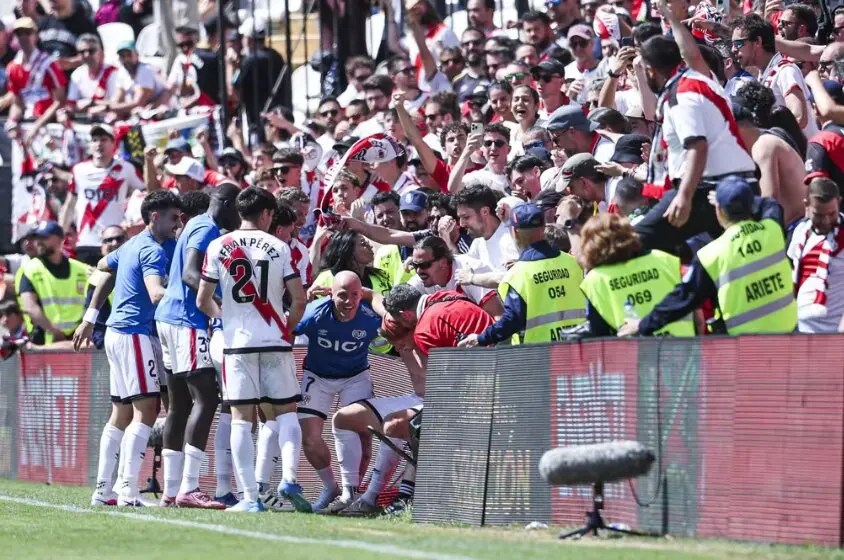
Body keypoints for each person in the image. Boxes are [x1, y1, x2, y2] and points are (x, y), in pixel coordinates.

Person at [330, 283, 494, 515]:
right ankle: (349, 494)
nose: (397, 348)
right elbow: (380, 303)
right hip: (423, 397)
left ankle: (375, 497)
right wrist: (366, 294)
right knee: (343, 418)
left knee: (399, 425)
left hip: (446, 397)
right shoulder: (403, 318)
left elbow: (446, 385)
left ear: (407, 320)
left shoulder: (428, 328)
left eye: (399, 341)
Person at [196, 187, 309, 513]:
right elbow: (299, 298)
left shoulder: (218, 246)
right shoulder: (279, 246)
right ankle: (288, 478)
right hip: (274, 340)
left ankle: (249, 497)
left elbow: (203, 299)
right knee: (286, 412)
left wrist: (225, 318)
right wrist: (287, 327)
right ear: (265, 214)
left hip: (237, 345)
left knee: (241, 420)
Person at [73, 190, 183, 507]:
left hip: (116, 333)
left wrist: (91, 317)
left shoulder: (131, 245)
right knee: (146, 410)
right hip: (134, 334)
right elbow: (155, 293)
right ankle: (127, 490)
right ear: (154, 217)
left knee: (120, 413)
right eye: (173, 217)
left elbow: (104, 267)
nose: (178, 223)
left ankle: (103, 490)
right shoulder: (150, 250)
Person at [618, 176, 797, 337]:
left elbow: (682, 298)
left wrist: (644, 324)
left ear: (718, 210)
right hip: (790, 338)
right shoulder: (772, 230)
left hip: (748, 350)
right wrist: (742, 199)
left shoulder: (712, 255)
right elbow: (770, 204)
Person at [154, 184, 241, 509]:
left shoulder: (193, 223)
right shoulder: (206, 227)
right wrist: (221, 306)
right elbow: (192, 275)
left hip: (167, 318)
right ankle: (189, 487)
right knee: (207, 397)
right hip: (186, 319)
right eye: (236, 209)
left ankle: (171, 490)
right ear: (227, 204)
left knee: (179, 406)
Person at [633, 34, 756, 261]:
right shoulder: (691, 81)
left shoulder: (682, 93)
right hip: (717, 185)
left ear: (650, 71)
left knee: (636, 240)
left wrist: (684, 196)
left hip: (704, 190)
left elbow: (697, 145)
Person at [293, 271, 383, 512]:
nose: (349, 301)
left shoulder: (369, 318)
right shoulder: (314, 314)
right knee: (309, 438)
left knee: (364, 435)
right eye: (342, 295)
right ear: (330, 294)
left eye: (355, 295)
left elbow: (392, 330)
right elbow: (286, 329)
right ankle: (331, 486)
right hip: (318, 377)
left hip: (355, 377)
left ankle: (351, 491)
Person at [459, 204, 586, 347]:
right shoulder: (573, 263)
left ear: (515, 232)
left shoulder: (516, 275)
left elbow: (512, 320)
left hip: (539, 356)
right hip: (578, 349)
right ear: (545, 228)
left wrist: (482, 338)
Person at [579, 213, 695, 336]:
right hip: (684, 348)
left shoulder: (594, 281)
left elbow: (599, 336)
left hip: (633, 352)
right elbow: (697, 316)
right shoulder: (665, 259)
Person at [60, 123, 150, 266]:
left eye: (103, 139)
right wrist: (60, 236)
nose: (98, 144)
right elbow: (69, 205)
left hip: (114, 242)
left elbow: (147, 192)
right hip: (85, 242)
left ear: (113, 143)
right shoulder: (79, 170)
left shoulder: (125, 168)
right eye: (95, 140)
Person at [730, 14, 817, 137]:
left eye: (738, 43)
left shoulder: (786, 70)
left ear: (758, 42)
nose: (733, 49)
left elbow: (799, 118)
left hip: (804, 153)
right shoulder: (763, 74)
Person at [18, 221, 89, 345]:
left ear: (61, 240)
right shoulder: (30, 270)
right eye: (37, 237)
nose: (38, 241)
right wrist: (53, 331)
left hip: (78, 341)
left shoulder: (82, 270)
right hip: (45, 340)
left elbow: (93, 304)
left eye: (44, 237)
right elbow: (30, 307)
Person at [788, 178, 844, 333]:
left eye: (832, 214)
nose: (826, 221)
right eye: (819, 215)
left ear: (839, 202)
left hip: (836, 332)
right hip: (800, 329)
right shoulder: (799, 231)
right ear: (806, 205)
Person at [4, 17, 68, 141]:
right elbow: (18, 102)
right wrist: (12, 122)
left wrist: (38, 125)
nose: (24, 37)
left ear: (36, 35)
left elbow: (60, 101)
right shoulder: (12, 67)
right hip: (27, 126)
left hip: (50, 127)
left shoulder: (49, 64)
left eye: (28, 33)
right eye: (19, 34)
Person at [407, 236, 502, 317]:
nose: (419, 271)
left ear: (443, 262)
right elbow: (400, 302)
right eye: (415, 265)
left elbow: (498, 316)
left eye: (424, 265)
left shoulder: (471, 270)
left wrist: (479, 338)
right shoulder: (422, 277)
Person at [83, 225, 127, 350]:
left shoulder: (141, 268)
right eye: (109, 240)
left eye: (119, 239)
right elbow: (98, 322)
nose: (115, 243)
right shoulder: (96, 278)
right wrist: (103, 346)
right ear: (101, 246)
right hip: (115, 346)